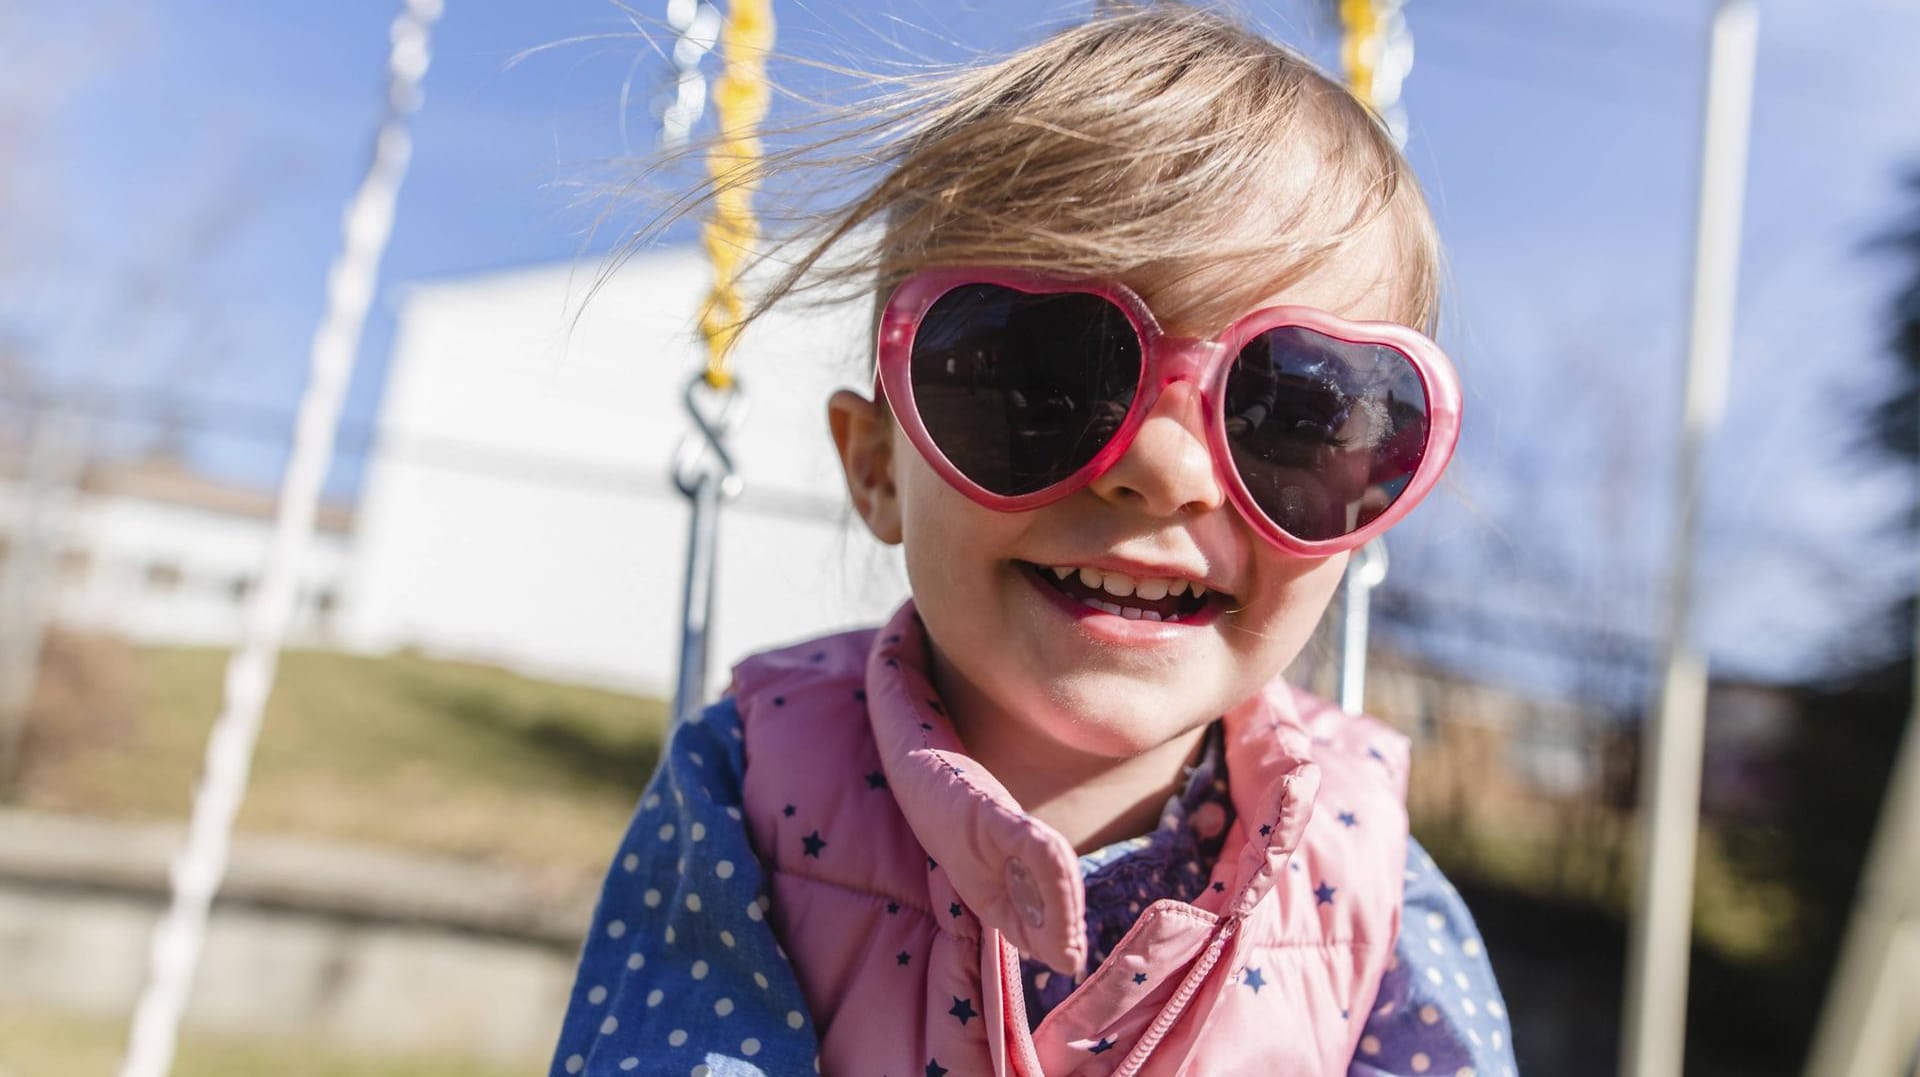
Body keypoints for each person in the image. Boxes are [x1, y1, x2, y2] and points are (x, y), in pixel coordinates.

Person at [553, 5, 1514, 1074]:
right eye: (1046, 380)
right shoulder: (750, 789)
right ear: (877, 466)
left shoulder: (1369, 881)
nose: (1166, 471)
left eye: (1291, 416)